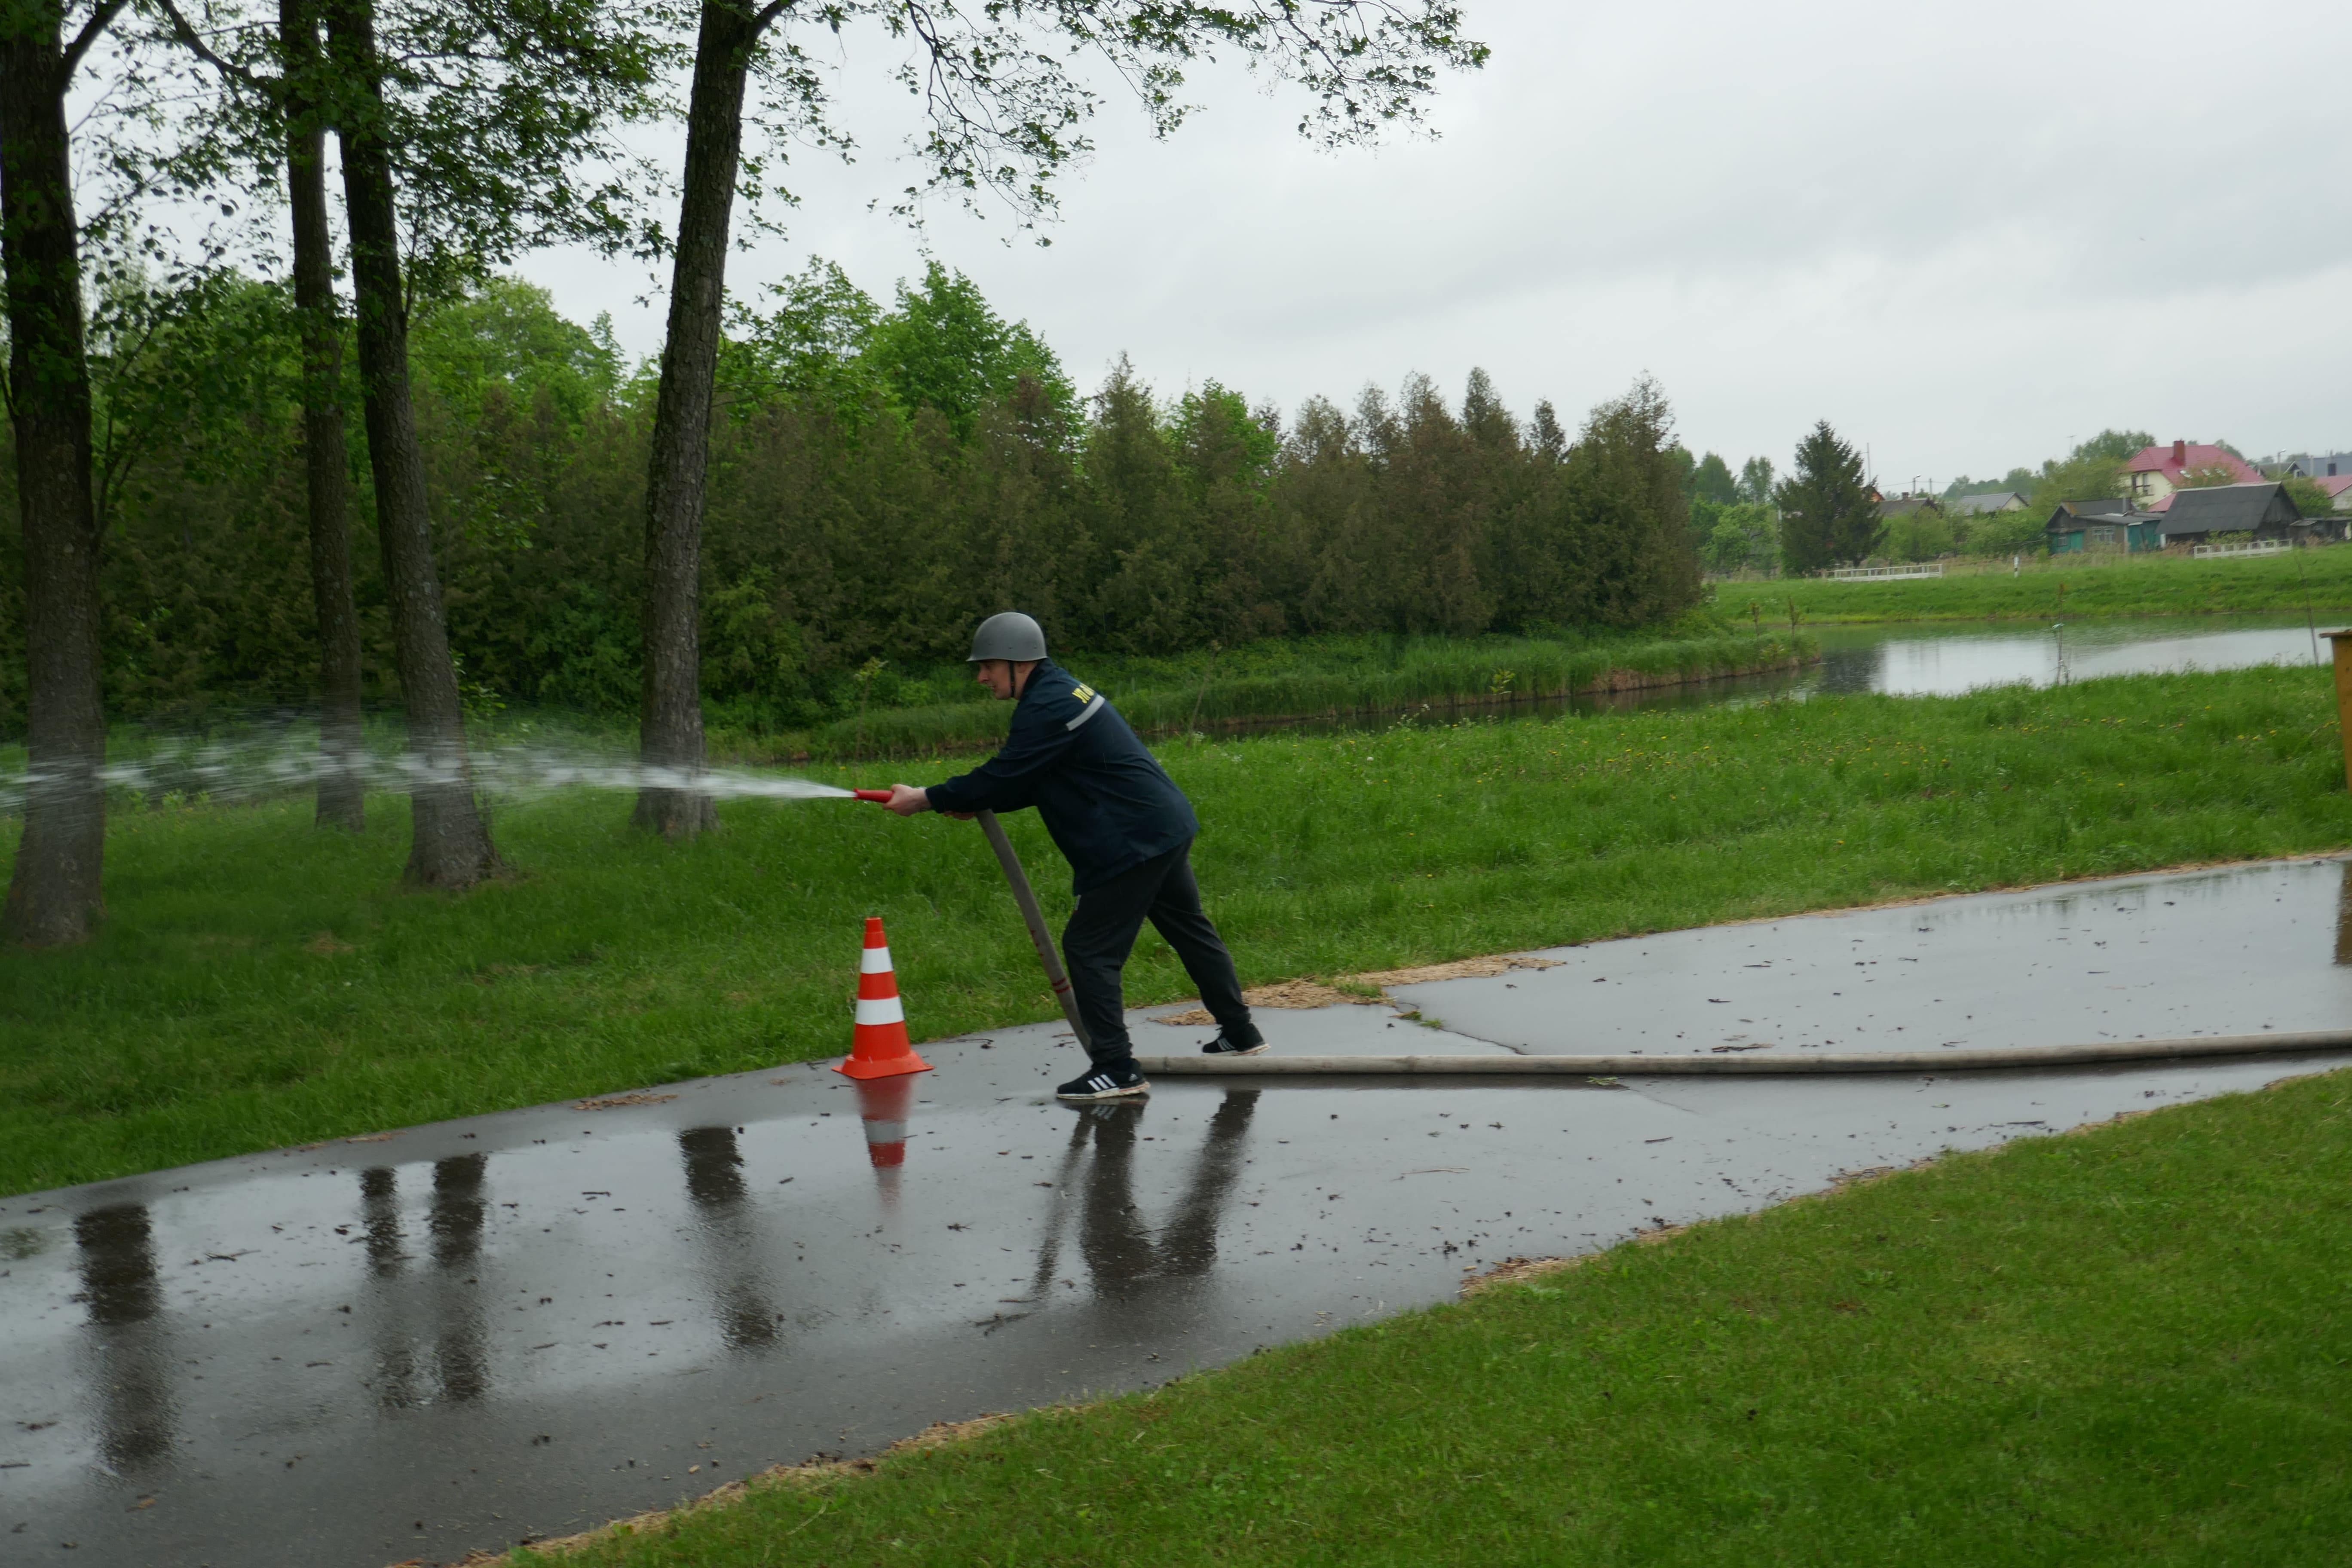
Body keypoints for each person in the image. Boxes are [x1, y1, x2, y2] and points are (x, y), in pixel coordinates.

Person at [882, 612, 1263, 1100]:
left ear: (1019, 663)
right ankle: (1241, 1032)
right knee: (1189, 928)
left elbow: (1007, 774)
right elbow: (1039, 776)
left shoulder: (1046, 705)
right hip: (1162, 826)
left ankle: (1116, 1068)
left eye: (988, 666)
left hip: (1130, 840)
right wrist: (967, 799)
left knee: (1090, 949)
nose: (981, 677)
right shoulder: (1060, 691)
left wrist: (927, 797)